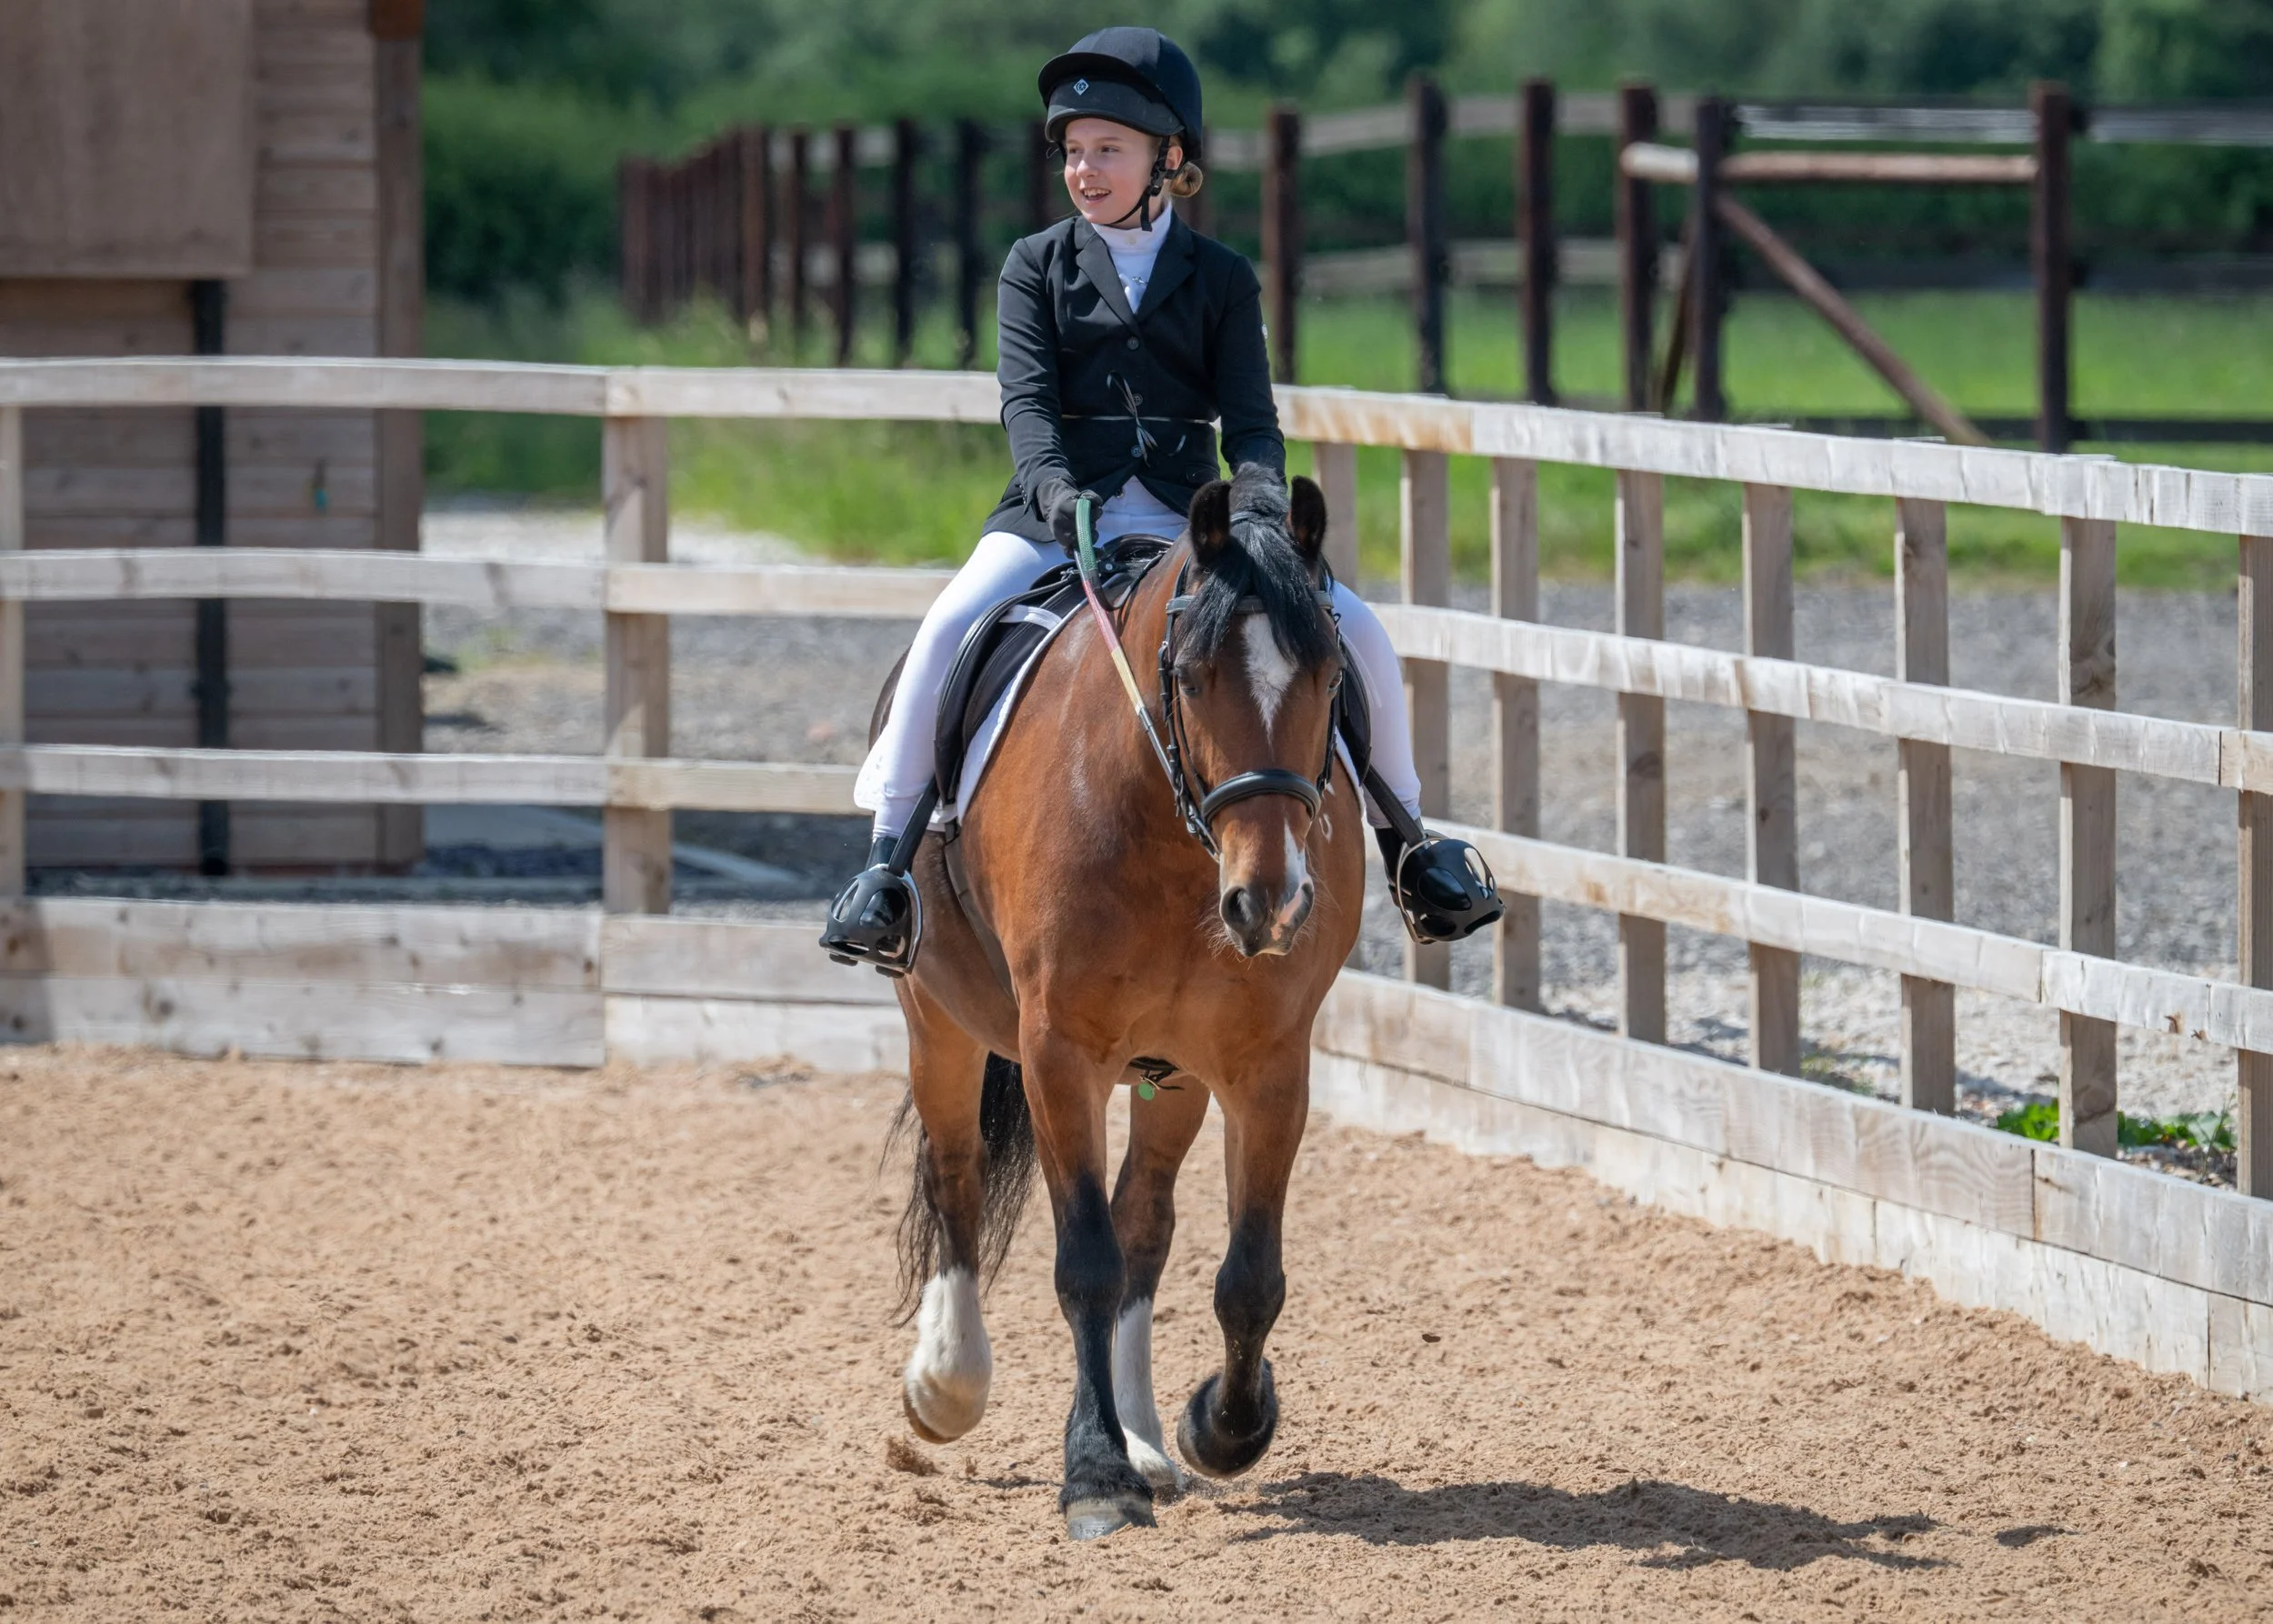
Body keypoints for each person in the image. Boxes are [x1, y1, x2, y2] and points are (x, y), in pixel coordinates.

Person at [821, 26, 1500, 971]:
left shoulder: (1220, 277)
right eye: (1072, 151)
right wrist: (1054, 490)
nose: (1084, 170)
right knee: (946, 630)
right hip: (1057, 514)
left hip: (1197, 519)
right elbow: (1027, 404)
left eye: (1108, 149)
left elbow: (1252, 426)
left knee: (1358, 630)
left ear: (1168, 158)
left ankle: (1411, 846)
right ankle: (887, 867)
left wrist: (1256, 502)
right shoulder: (1034, 266)